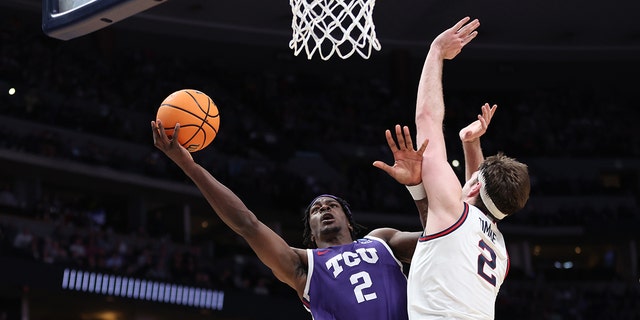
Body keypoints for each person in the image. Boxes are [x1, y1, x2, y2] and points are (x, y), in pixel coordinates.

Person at [151, 119, 427, 320]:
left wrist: (417, 189)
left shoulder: (382, 241)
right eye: (316, 210)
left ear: (350, 222)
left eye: (332, 205)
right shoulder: (304, 264)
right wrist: (189, 166)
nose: (324, 209)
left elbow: (440, 237)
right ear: (311, 231)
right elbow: (247, 225)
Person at [407, 17, 531, 319]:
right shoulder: (500, 253)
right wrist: (469, 144)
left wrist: (436, 51)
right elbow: (478, 206)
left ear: (475, 185)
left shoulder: (453, 213)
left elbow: (427, 120)